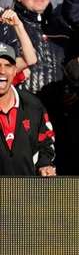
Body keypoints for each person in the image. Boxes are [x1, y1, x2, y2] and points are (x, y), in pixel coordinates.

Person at [0, 42, 55, 176]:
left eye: (7, 65)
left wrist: (44, 164)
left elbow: (46, 142)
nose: (2, 71)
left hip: (26, 192)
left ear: (14, 71)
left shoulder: (33, 105)